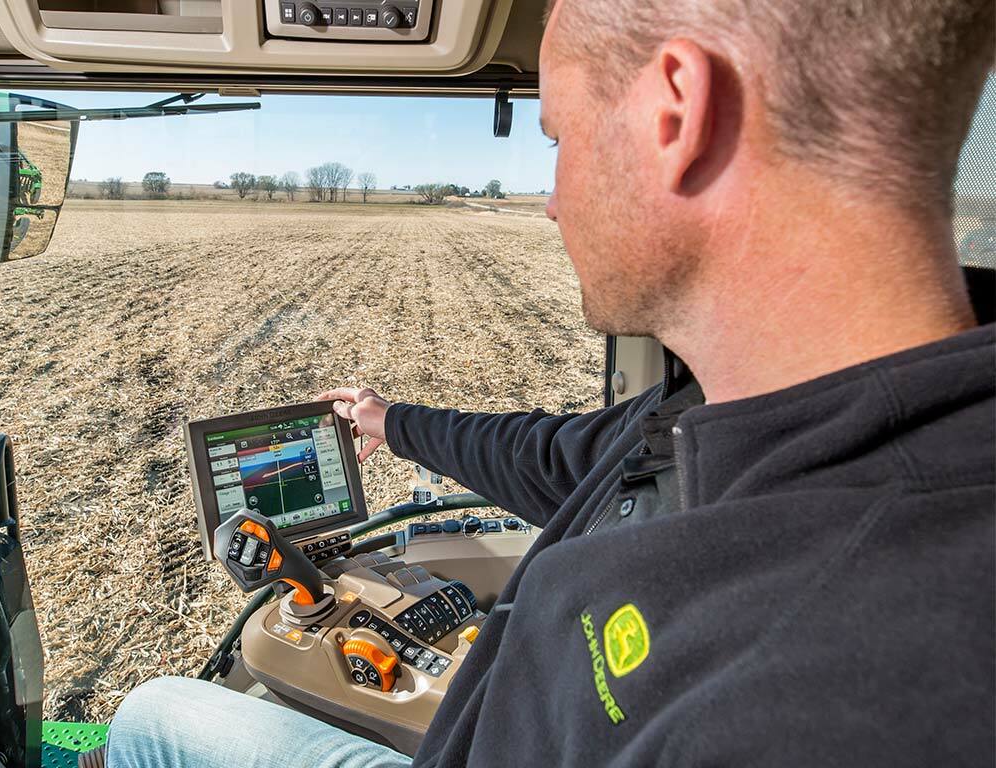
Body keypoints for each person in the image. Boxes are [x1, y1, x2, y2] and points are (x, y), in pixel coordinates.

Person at [107, 0, 996, 764]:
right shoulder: (727, 406)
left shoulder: (840, 693)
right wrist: (392, 422)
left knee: (153, 716)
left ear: (675, 115)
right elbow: (559, 458)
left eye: (560, 136)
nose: (552, 200)